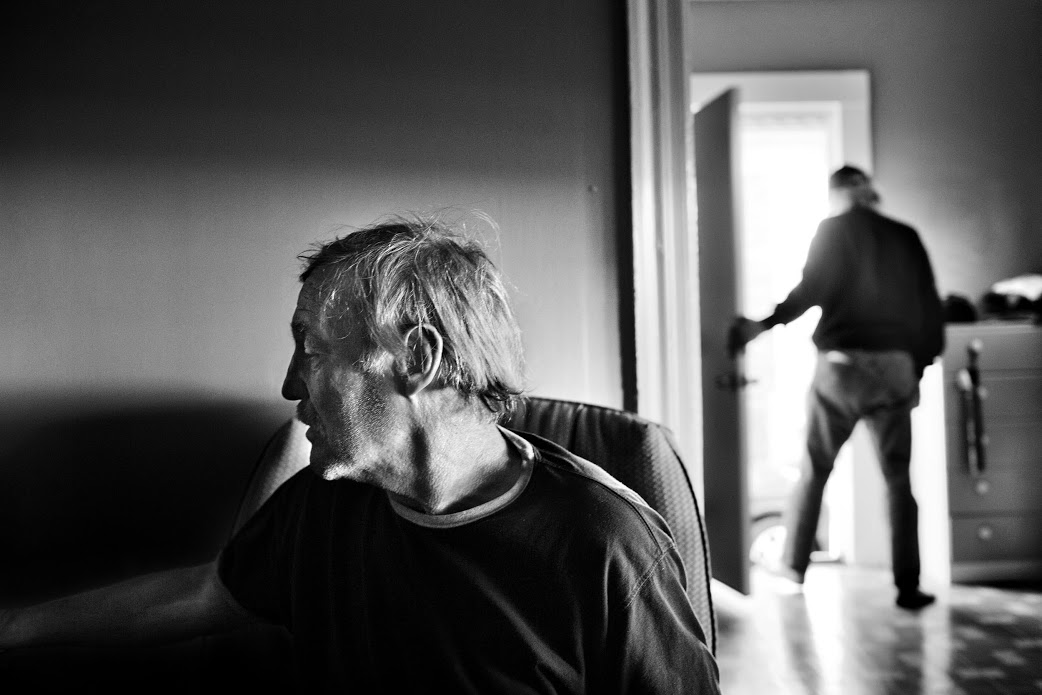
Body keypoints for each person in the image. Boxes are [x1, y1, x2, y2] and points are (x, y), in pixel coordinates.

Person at [1, 216, 721, 692]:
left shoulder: (606, 546)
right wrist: (12, 625)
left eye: (311, 351)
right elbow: (205, 594)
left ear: (417, 357)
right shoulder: (327, 501)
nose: (289, 385)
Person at [728, 166, 944, 610]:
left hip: (841, 366)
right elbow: (929, 307)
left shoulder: (832, 230)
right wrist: (916, 367)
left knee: (815, 468)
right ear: (869, 192)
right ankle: (908, 585)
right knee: (899, 479)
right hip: (894, 367)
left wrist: (761, 326)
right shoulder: (905, 235)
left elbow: (809, 291)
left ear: (837, 195)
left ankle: (792, 569)